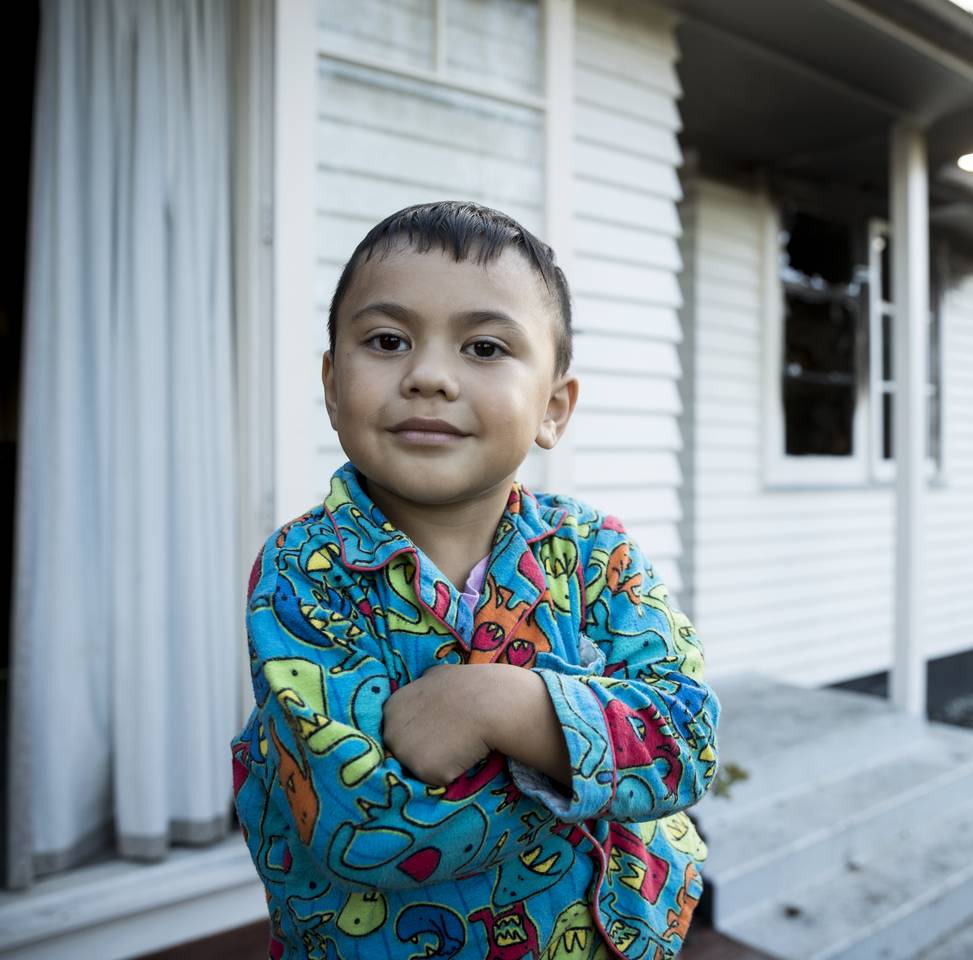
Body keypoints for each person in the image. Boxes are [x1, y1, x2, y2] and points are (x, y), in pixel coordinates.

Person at [230, 200, 720, 960]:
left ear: (552, 408)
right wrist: (595, 766)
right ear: (332, 387)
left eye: (485, 347)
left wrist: (504, 706)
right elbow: (364, 826)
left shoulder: (596, 555)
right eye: (388, 340)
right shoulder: (304, 573)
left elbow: (688, 742)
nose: (428, 375)